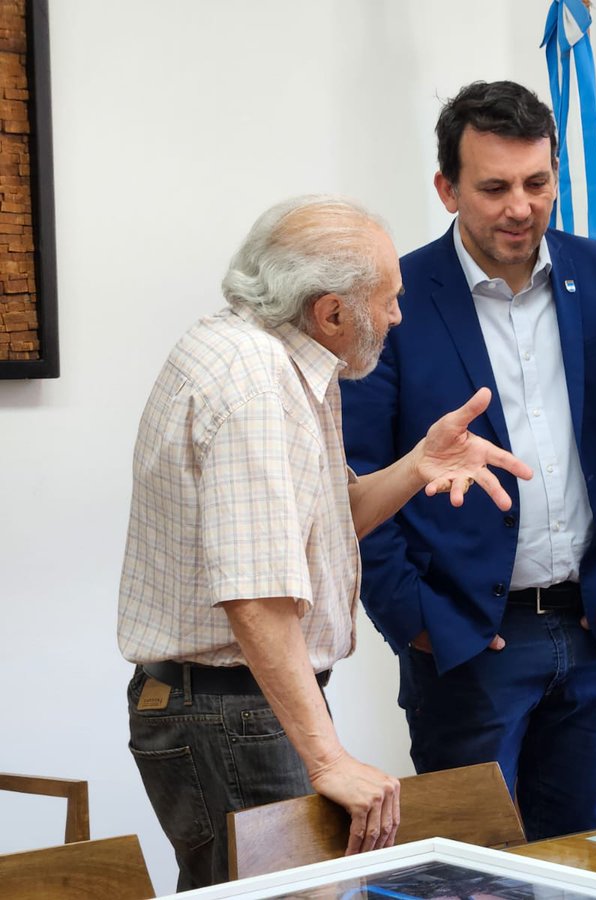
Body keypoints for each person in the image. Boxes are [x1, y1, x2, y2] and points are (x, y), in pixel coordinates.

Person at [118, 195, 531, 890]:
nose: (399, 317)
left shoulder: (268, 352)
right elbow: (256, 599)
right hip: (230, 706)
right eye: (389, 300)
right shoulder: (256, 388)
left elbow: (323, 524)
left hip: (233, 703)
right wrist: (327, 758)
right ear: (331, 312)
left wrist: (416, 464)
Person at [340, 81, 596, 841]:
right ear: (447, 188)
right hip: (469, 641)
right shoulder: (399, 294)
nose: (520, 207)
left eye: (537, 183)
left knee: (585, 855)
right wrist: (415, 621)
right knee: (471, 869)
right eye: (493, 188)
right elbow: (357, 475)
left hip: (595, 627)